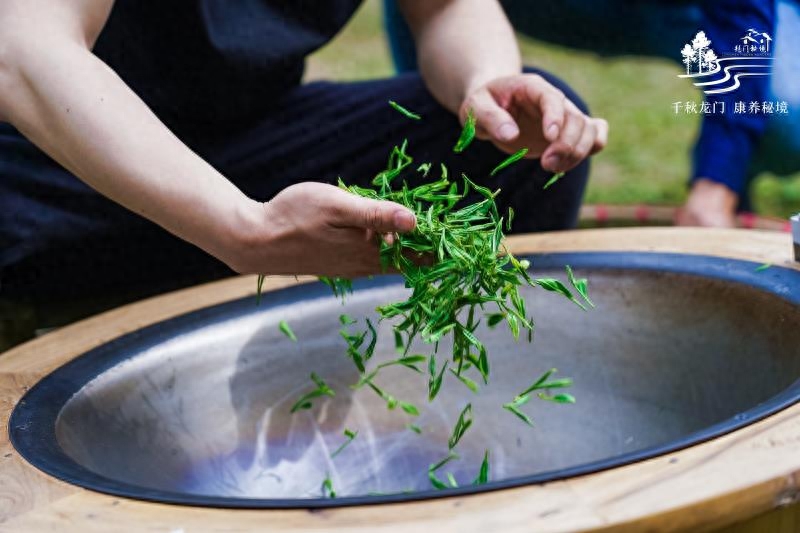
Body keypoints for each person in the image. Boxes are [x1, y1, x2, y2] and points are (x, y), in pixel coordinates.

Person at [0, 0, 607, 347]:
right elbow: (25, 52)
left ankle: (416, 410)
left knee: (508, 156)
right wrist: (240, 228)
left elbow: (446, 8)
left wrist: (485, 85)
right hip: (46, 162)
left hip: (248, 140)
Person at [385, 0, 800, 227]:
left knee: (788, 113)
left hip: (682, 10)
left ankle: (730, 192)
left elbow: (743, 21)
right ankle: (449, 173)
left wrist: (717, 183)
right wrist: (480, 82)